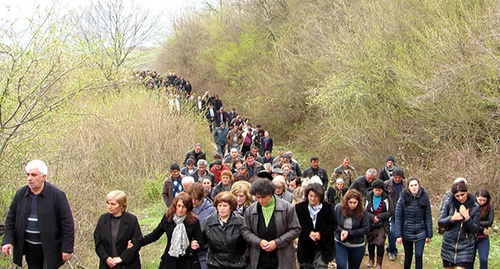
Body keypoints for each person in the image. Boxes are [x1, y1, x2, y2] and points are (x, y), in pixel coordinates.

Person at [1, 160, 75, 269]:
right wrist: (7, 241)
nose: (29, 178)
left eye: (33, 175)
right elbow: (11, 219)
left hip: (50, 249)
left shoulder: (57, 195)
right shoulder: (21, 194)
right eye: (28, 175)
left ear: (43, 177)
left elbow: (67, 223)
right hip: (30, 248)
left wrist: (67, 248)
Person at [241, 178, 302, 269]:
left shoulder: (287, 208)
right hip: (258, 259)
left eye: (263, 197)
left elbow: (295, 229)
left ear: (271, 194)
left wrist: (277, 243)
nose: (260, 201)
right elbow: (245, 230)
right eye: (257, 198)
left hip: (282, 258)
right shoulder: (251, 210)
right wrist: (259, 242)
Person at [135, 192, 204, 269]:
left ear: (188, 208)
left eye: (184, 207)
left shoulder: (193, 222)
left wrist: (191, 248)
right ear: (175, 206)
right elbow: (155, 235)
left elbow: (200, 244)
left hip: (187, 261)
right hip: (170, 260)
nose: (180, 209)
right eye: (179, 206)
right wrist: (137, 242)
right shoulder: (168, 218)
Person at [94, 190, 142, 269]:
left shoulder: (131, 219)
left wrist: (121, 258)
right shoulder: (103, 219)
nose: (109, 206)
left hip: (128, 265)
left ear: (122, 205)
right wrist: (106, 258)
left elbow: (137, 242)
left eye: (113, 204)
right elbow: (98, 242)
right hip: (107, 265)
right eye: (108, 203)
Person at [439, 181, 480, 269]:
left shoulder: (475, 207)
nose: (461, 198)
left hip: (466, 245)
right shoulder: (449, 203)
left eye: (463, 194)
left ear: (467, 192)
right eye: (457, 196)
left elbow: (475, 229)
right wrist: (452, 218)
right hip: (449, 244)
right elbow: (441, 222)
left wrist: (467, 217)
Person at [201, 192, 248, 269]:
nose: (222, 208)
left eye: (225, 206)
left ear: (231, 207)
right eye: (220, 206)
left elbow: (247, 245)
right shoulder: (208, 222)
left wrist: (243, 260)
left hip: (236, 264)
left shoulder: (240, 222)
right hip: (214, 264)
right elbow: (201, 241)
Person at [393, 177, 432, 269]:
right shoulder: (403, 198)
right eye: (411, 185)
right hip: (407, 231)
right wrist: (398, 235)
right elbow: (398, 217)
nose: (414, 187)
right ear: (408, 187)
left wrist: (429, 234)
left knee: (418, 255)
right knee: (408, 256)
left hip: (420, 231)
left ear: (419, 186)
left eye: (415, 185)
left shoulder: (424, 198)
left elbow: (428, 216)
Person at [295, 183, 337, 268]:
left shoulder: (328, 207)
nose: (313, 199)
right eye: (311, 196)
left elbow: (333, 225)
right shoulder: (299, 208)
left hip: (323, 246)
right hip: (306, 247)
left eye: (315, 196)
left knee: (321, 266)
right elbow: (297, 225)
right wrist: (308, 233)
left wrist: (320, 234)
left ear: (320, 197)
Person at [334, 189, 370, 269]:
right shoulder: (338, 208)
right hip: (340, 243)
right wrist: (342, 231)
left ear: (359, 202)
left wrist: (349, 233)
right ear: (346, 201)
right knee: (341, 266)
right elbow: (334, 223)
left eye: (355, 203)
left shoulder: (363, 211)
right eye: (350, 202)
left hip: (357, 245)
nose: (352, 205)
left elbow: (366, 228)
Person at [365, 179, 394, 269]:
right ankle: (371, 259)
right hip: (370, 223)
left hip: (382, 224)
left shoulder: (387, 198)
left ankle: (379, 263)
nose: (377, 192)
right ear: (373, 189)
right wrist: (372, 217)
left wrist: (379, 216)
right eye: (376, 190)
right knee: (370, 242)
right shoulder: (368, 197)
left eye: (379, 190)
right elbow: (364, 211)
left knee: (380, 243)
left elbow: (391, 211)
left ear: (382, 190)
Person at [187, 183, 216, 269]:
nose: (193, 202)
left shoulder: (211, 211)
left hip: (205, 253)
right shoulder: (186, 208)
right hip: (188, 252)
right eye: (191, 199)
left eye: (195, 199)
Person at [384, 167, 406, 261]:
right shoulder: (387, 184)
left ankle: (407, 252)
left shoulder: (407, 184)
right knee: (392, 232)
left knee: (405, 233)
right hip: (392, 212)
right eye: (396, 177)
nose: (397, 179)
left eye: (399, 177)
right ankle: (392, 251)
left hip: (404, 212)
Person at [475, 189, 494, 269]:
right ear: (476, 197)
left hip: (483, 237)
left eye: (484, 200)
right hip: (471, 236)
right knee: (469, 261)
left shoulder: (489, 206)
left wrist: (476, 223)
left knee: (484, 260)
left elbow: (490, 222)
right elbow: (468, 221)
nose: (482, 202)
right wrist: (482, 229)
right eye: (480, 200)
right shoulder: (471, 205)